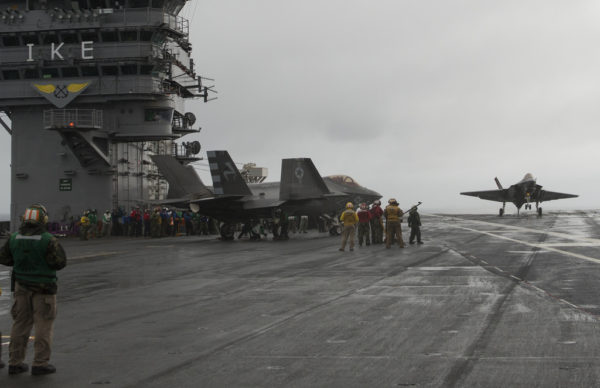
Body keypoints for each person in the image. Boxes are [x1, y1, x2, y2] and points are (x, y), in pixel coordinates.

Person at [0, 204, 66, 375]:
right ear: (42, 220)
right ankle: (40, 363)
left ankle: (15, 362)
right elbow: (59, 263)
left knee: (20, 324)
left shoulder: (14, 238)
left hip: (21, 286)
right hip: (44, 289)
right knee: (43, 324)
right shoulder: (48, 239)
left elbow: (4, 258)